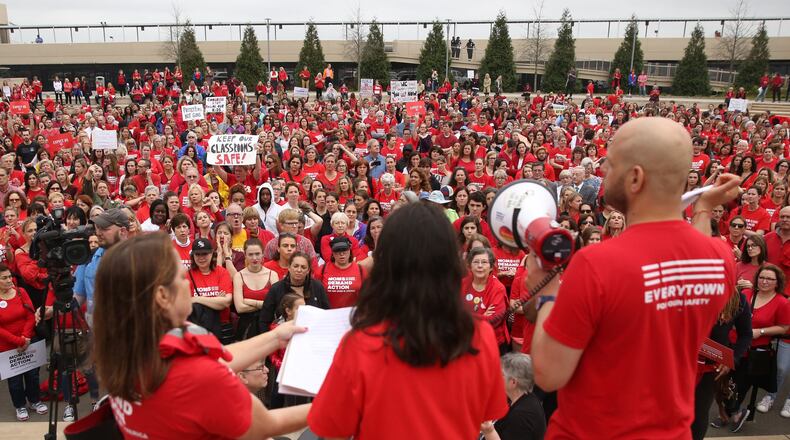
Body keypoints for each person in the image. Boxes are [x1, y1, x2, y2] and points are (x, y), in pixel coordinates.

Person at [527, 117, 740, 438]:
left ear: (635, 178)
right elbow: (690, 251)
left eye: (611, 165)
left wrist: (546, 293)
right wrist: (704, 208)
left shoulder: (597, 263)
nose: (603, 173)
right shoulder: (719, 257)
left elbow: (548, 375)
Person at [308, 203, 508, 438]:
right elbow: (486, 414)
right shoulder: (479, 334)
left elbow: (333, 429)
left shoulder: (360, 343)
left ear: (387, 262)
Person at [92, 233, 310, 439]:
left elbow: (221, 357)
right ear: (162, 295)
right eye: (181, 277)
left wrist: (277, 336)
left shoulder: (130, 347)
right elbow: (266, 424)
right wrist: (334, 403)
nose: (189, 283)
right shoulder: (193, 374)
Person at [722, 264, 790, 433]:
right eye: (762, 277)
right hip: (732, 346)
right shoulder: (746, 294)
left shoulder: (781, 302)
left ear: (777, 282)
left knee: (740, 385)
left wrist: (760, 331)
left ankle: (735, 412)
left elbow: (784, 328)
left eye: (769, 279)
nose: (765, 281)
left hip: (754, 352)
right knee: (725, 383)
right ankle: (729, 412)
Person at [0, 262, 47, 421]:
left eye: (10, 277)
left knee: (33, 375)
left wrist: (25, 338)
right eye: (4, 278)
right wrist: (18, 341)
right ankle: (20, 405)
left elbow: (30, 315)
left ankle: (35, 400)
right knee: (15, 380)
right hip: (8, 346)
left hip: (28, 340)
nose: (9, 280)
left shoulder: (21, 292)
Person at [481, 353, 546, 440]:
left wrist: (489, 431)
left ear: (513, 382)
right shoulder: (524, 397)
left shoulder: (521, 416)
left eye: (501, 374)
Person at [233, 238, 278, 340]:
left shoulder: (272, 275)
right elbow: (240, 308)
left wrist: (249, 301)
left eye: (257, 254)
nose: (254, 258)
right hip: (246, 327)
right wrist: (265, 305)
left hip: (268, 325)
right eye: (251, 254)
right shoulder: (239, 276)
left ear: (263, 254)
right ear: (245, 255)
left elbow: (276, 305)